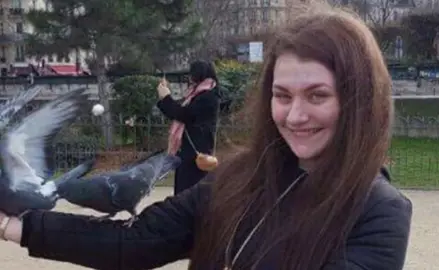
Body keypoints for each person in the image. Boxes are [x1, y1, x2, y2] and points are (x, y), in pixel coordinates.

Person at [0, 5, 412, 270]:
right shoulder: (239, 178)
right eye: (281, 96)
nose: (295, 115)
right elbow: (137, 239)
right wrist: (18, 226)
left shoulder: (379, 212)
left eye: (318, 95)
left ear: (358, 100)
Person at [156, 60, 221, 194]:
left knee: (189, 190)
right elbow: (181, 111)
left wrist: (165, 97)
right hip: (188, 150)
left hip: (196, 150)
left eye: (192, 74)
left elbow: (184, 115)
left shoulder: (208, 96)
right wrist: (166, 97)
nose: (190, 78)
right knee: (185, 188)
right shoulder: (198, 93)